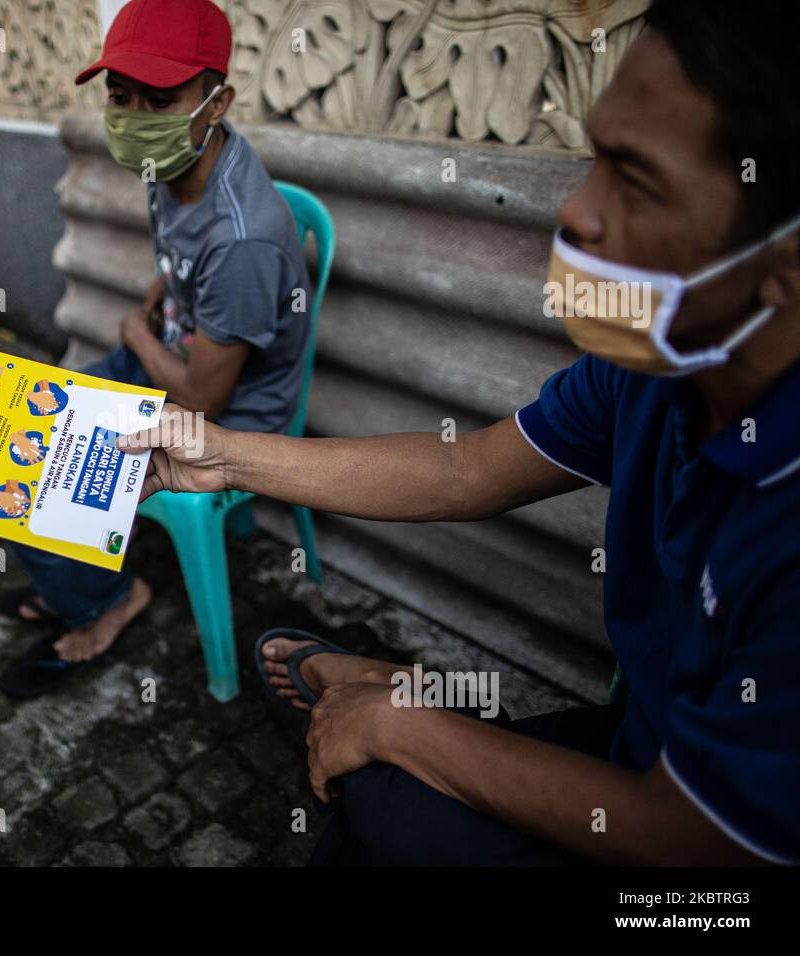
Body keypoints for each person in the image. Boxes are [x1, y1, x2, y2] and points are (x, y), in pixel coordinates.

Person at [119, 0, 800, 865]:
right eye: (594, 164)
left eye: (636, 181)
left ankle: (424, 707)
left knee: (380, 795)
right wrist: (220, 458)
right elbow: (465, 471)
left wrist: (404, 729)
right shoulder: (656, 370)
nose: (577, 213)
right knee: (382, 792)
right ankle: (437, 705)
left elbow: (700, 842)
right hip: (647, 745)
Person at [0, 0, 312, 699]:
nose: (136, 116)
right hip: (164, 363)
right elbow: (177, 267)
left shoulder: (242, 241)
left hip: (222, 414)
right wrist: (154, 306)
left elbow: (204, 400)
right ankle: (76, 579)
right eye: (121, 96)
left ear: (217, 101)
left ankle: (109, 602)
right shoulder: (177, 163)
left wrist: (137, 331)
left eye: (161, 98)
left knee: (30, 488)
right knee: (14, 433)